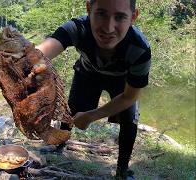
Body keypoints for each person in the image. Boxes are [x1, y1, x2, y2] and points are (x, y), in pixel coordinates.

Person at [36, 0, 151, 179]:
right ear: (89, 9)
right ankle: (59, 144)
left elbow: (129, 97)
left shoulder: (140, 49)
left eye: (120, 17)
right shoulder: (78, 28)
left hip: (121, 80)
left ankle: (122, 170)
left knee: (130, 120)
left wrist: (91, 116)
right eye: (101, 14)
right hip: (87, 73)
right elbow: (39, 53)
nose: (108, 28)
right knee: (70, 110)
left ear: (133, 17)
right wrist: (14, 64)